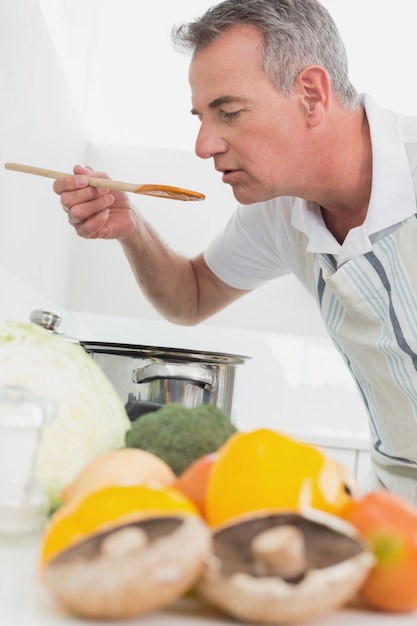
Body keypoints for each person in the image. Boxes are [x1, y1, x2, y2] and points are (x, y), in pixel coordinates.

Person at [53, 0, 417, 504]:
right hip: (398, 497)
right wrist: (131, 226)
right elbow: (192, 296)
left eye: (229, 112)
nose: (204, 145)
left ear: (311, 95)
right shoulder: (277, 211)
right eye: (202, 116)